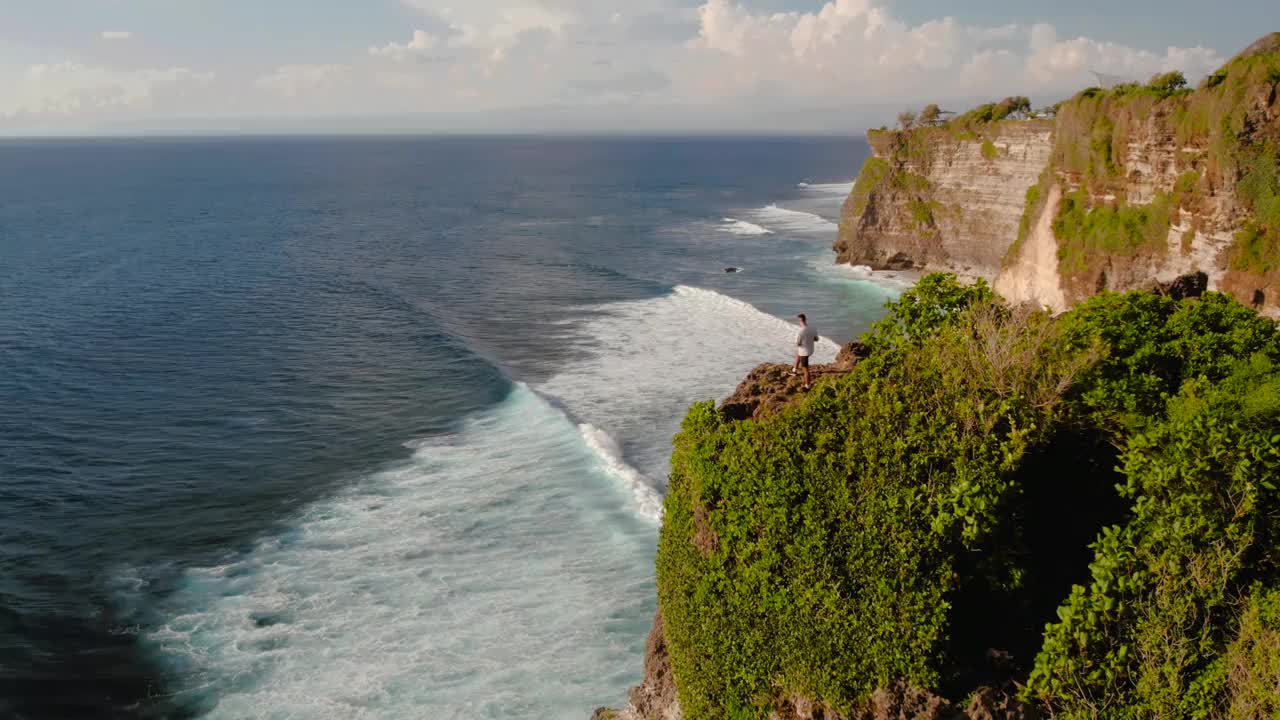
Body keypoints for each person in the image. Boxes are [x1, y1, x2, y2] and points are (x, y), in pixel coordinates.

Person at [791, 313, 818, 390]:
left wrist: (802, 342)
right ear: (805, 319)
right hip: (810, 349)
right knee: (798, 354)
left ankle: (807, 386)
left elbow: (798, 343)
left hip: (804, 352)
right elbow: (816, 339)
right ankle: (794, 370)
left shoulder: (801, 332)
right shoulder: (812, 328)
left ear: (799, 321)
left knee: (805, 370)